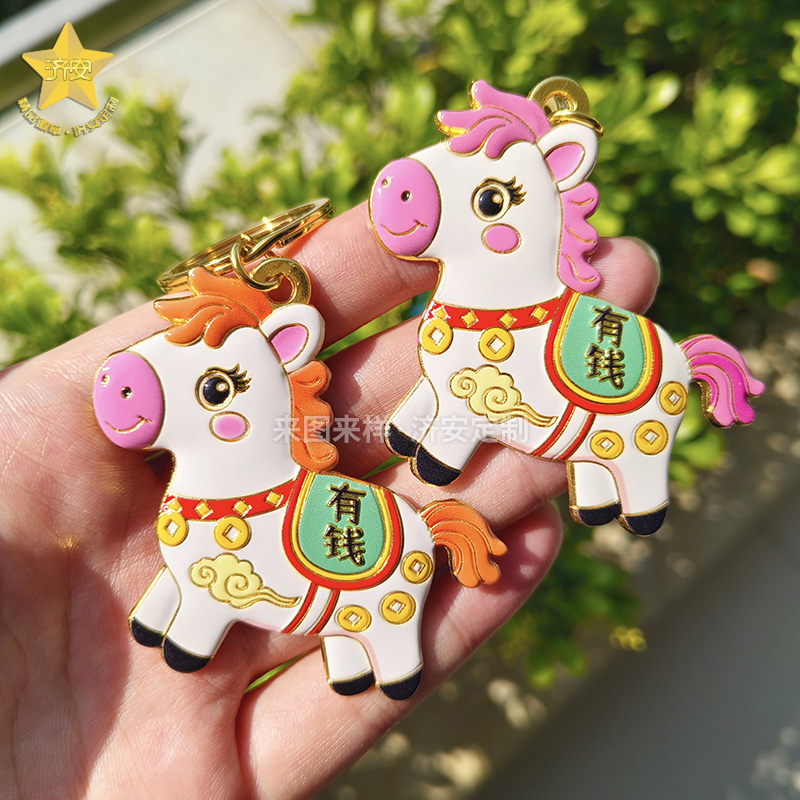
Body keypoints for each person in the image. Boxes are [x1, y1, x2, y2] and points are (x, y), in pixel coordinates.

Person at [0, 203, 659, 799]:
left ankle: (386, 651)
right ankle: (315, 636)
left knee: (327, 604)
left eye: (214, 388)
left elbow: (209, 577)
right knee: (204, 575)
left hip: (371, 540)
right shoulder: (189, 505)